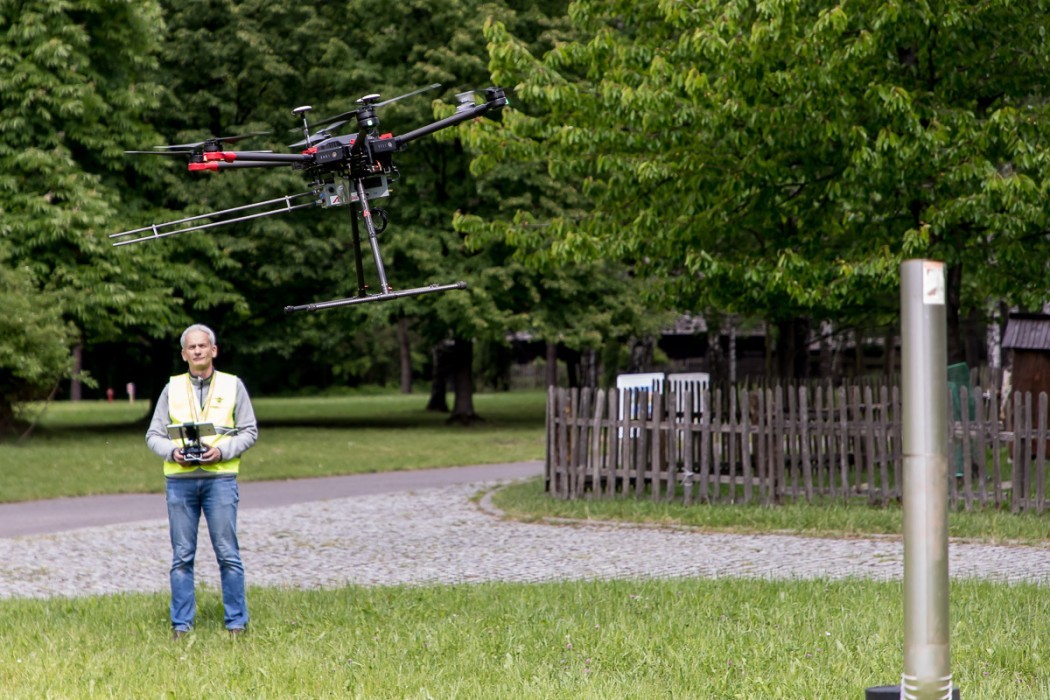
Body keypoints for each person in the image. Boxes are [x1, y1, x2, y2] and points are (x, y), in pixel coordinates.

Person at [146, 324, 258, 639]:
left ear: (214, 350)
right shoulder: (172, 388)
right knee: (182, 555)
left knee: (227, 553)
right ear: (184, 354)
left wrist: (222, 451)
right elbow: (153, 435)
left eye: (203, 346)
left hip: (219, 479)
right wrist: (172, 452)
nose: (197, 351)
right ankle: (181, 626)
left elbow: (249, 430)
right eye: (191, 347)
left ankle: (236, 623)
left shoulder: (233, 385)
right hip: (180, 481)